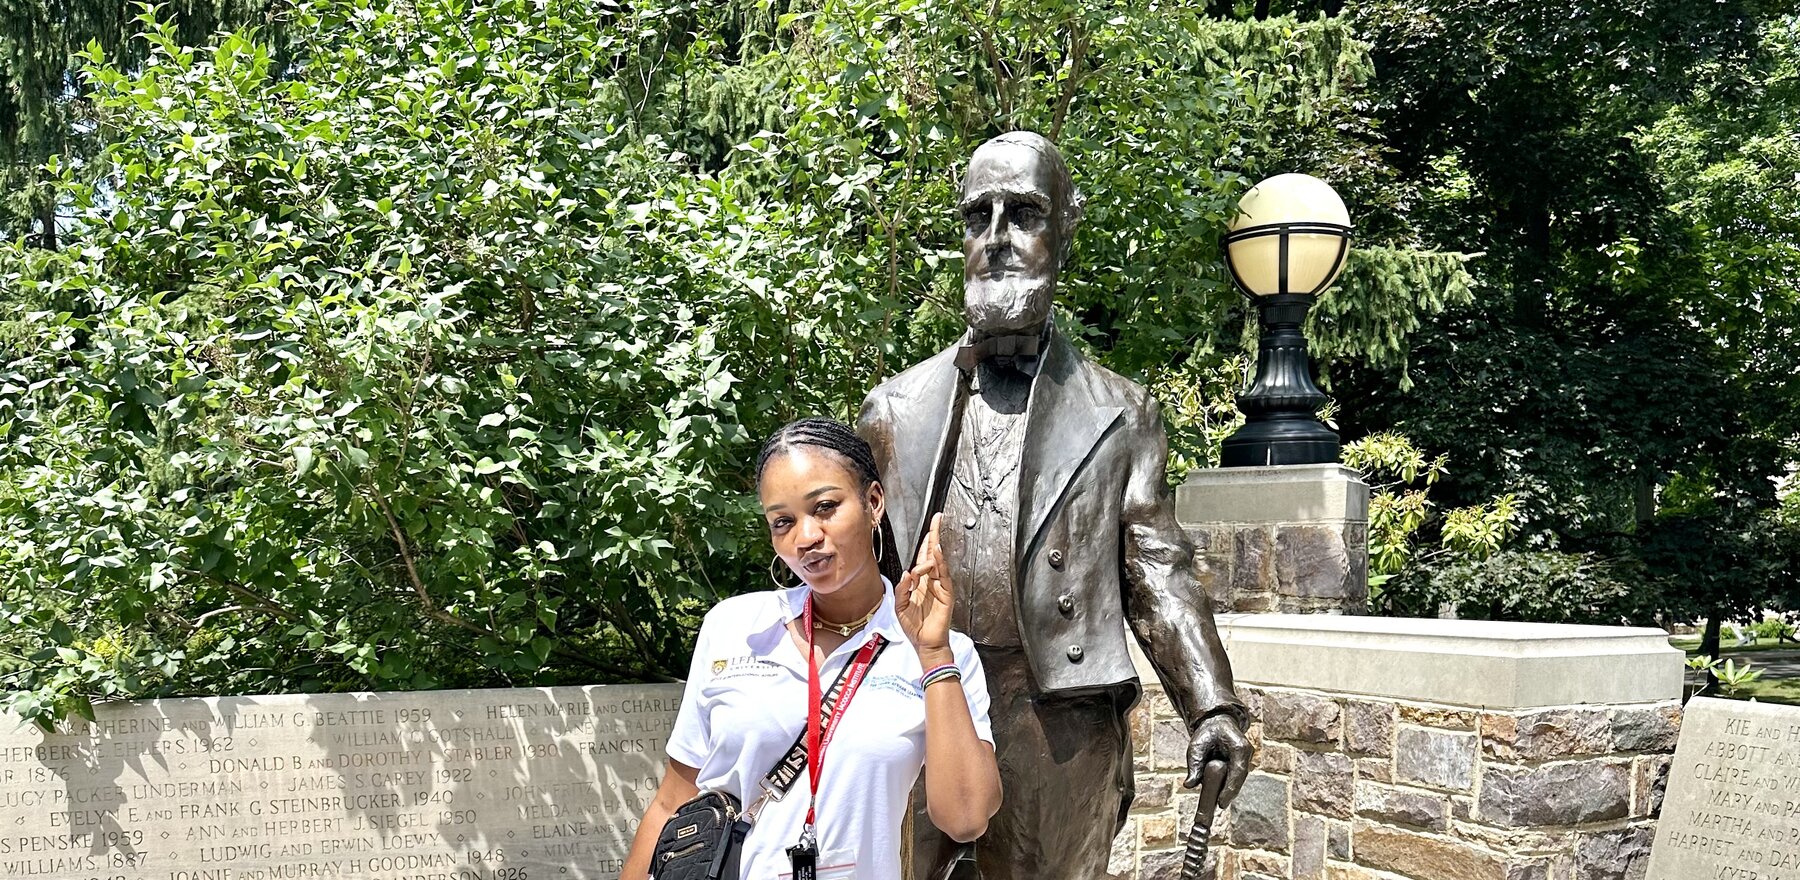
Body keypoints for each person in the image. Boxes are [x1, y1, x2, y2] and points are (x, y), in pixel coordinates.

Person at [857, 131, 1252, 880]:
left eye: (1025, 214)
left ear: (1064, 229)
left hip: (1059, 724)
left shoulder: (1121, 414)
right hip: (916, 705)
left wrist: (1211, 704)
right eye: (979, 216)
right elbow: (853, 576)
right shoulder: (891, 410)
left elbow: (1159, 572)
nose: (998, 238)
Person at [620, 418, 1002, 880]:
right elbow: (670, 801)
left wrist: (934, 655)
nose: (805, 538)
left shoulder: (941, 651)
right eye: (783, 521)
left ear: (873, 503)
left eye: (824, 507)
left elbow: (965, 818)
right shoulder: (733, 627)